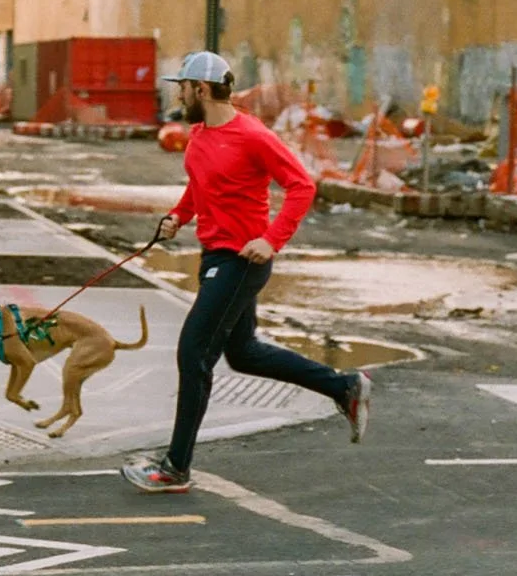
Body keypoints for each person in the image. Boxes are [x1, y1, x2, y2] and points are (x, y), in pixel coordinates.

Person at [121, 51, 371, 494]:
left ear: (201, 89)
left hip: (243, 261)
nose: (177, 94)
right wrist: (179, 216)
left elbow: (302, 186)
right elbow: (200, 186)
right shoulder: (198, 136)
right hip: (214, 257)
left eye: (182, 86)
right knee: (244, 353)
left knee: (193, 350)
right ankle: (344, 387)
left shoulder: (252, 135)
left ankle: (175, 467)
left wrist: (271, 240)